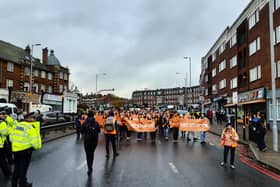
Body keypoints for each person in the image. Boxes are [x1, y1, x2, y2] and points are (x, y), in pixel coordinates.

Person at [81, 111, 100, 176]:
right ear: (93, 116)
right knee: (91, 154)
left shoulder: (85, 123)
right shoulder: (96, 123)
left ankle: (89, 168)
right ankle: (91, 166)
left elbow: (82, 131)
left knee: (88, 154)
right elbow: (99, 131)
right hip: (94, 141)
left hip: (87, 141)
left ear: (87, 116)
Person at [0, 111, 12, 178]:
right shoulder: (2, 123)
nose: (3, 115)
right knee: (2, 160)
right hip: (1, 144)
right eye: (2, 114)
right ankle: (7, 173)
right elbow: (5, 133)